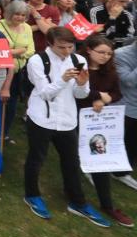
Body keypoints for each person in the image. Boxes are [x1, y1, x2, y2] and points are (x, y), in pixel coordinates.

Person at [23, 27, 110, 226]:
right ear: (50, 44)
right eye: (62, 47)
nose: (67, 51)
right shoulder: (37, 61)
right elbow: (45, 93)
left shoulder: (79, 61)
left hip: (67, 120)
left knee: (71, 161)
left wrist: (81, 84)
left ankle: (77, 202)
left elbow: (81, 95)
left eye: (71, 47)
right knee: (36, 158)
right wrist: (63, 80)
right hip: (41, 119)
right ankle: (32, 195)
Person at [78, 35, 133, 226]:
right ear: (89, 50)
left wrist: (104, 99)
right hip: (76, 117)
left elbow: (117, 92)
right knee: (73, 157)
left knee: (100, 159)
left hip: (99, 121)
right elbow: (75, 92)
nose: (105, 57)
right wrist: (97, 96)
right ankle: (75, 197)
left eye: (109, 53)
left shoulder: (110, 71)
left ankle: (107, 204)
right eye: (101, 52)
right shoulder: (79, 67)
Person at [0, 1, 36, 137]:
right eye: (17, 14)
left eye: (23, 15)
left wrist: (15, 52)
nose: (20, 17)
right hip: (1, 71)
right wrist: (19, 51)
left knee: (12, 104)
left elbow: (31, 50)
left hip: (19, 72)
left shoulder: (27, 27)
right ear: (9, 13)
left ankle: (4, 133)